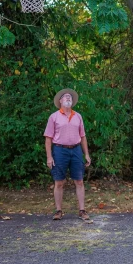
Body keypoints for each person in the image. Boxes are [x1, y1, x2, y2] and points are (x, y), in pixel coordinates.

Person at [44, 88, 91, 221]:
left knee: (79, 181)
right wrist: (49, 156)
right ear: (60, 101)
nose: (68, 98)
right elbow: (48, 138)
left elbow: (83, 136)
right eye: (65, 96)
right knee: (59, 182)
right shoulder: (54, 117)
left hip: (76, 150)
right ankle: (58, 211)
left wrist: (86, 154)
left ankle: (82, 211)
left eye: (70, 97)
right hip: (59, 151)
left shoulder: (78, 116)